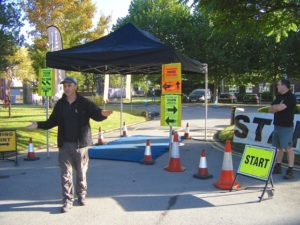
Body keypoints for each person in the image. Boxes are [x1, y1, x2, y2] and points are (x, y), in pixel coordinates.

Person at [26, 77, 112, 213]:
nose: (66, 88)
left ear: (75, 87)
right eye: (65, 86)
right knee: (65, 175)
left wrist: (103, 114)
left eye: (69, 85)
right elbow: (52, 121)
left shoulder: (84, 103)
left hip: (81, 145)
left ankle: (81, 195)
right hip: (65, 145)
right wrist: (38, 124)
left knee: (81, 173)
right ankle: (67, 200)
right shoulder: (60, 104)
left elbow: (96, 113)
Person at [269, 78, 296, 179]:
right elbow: (270, 109)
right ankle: (278, 166)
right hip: (277, 125)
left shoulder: (291, 97)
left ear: (284, 86)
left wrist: (276, 107)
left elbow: (279, 108)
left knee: (288, 148)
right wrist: (277, 107)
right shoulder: (279, 96)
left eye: (278, 85)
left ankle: (290, 169)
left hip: (286, 127)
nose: (277, 86)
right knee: (279, 147)